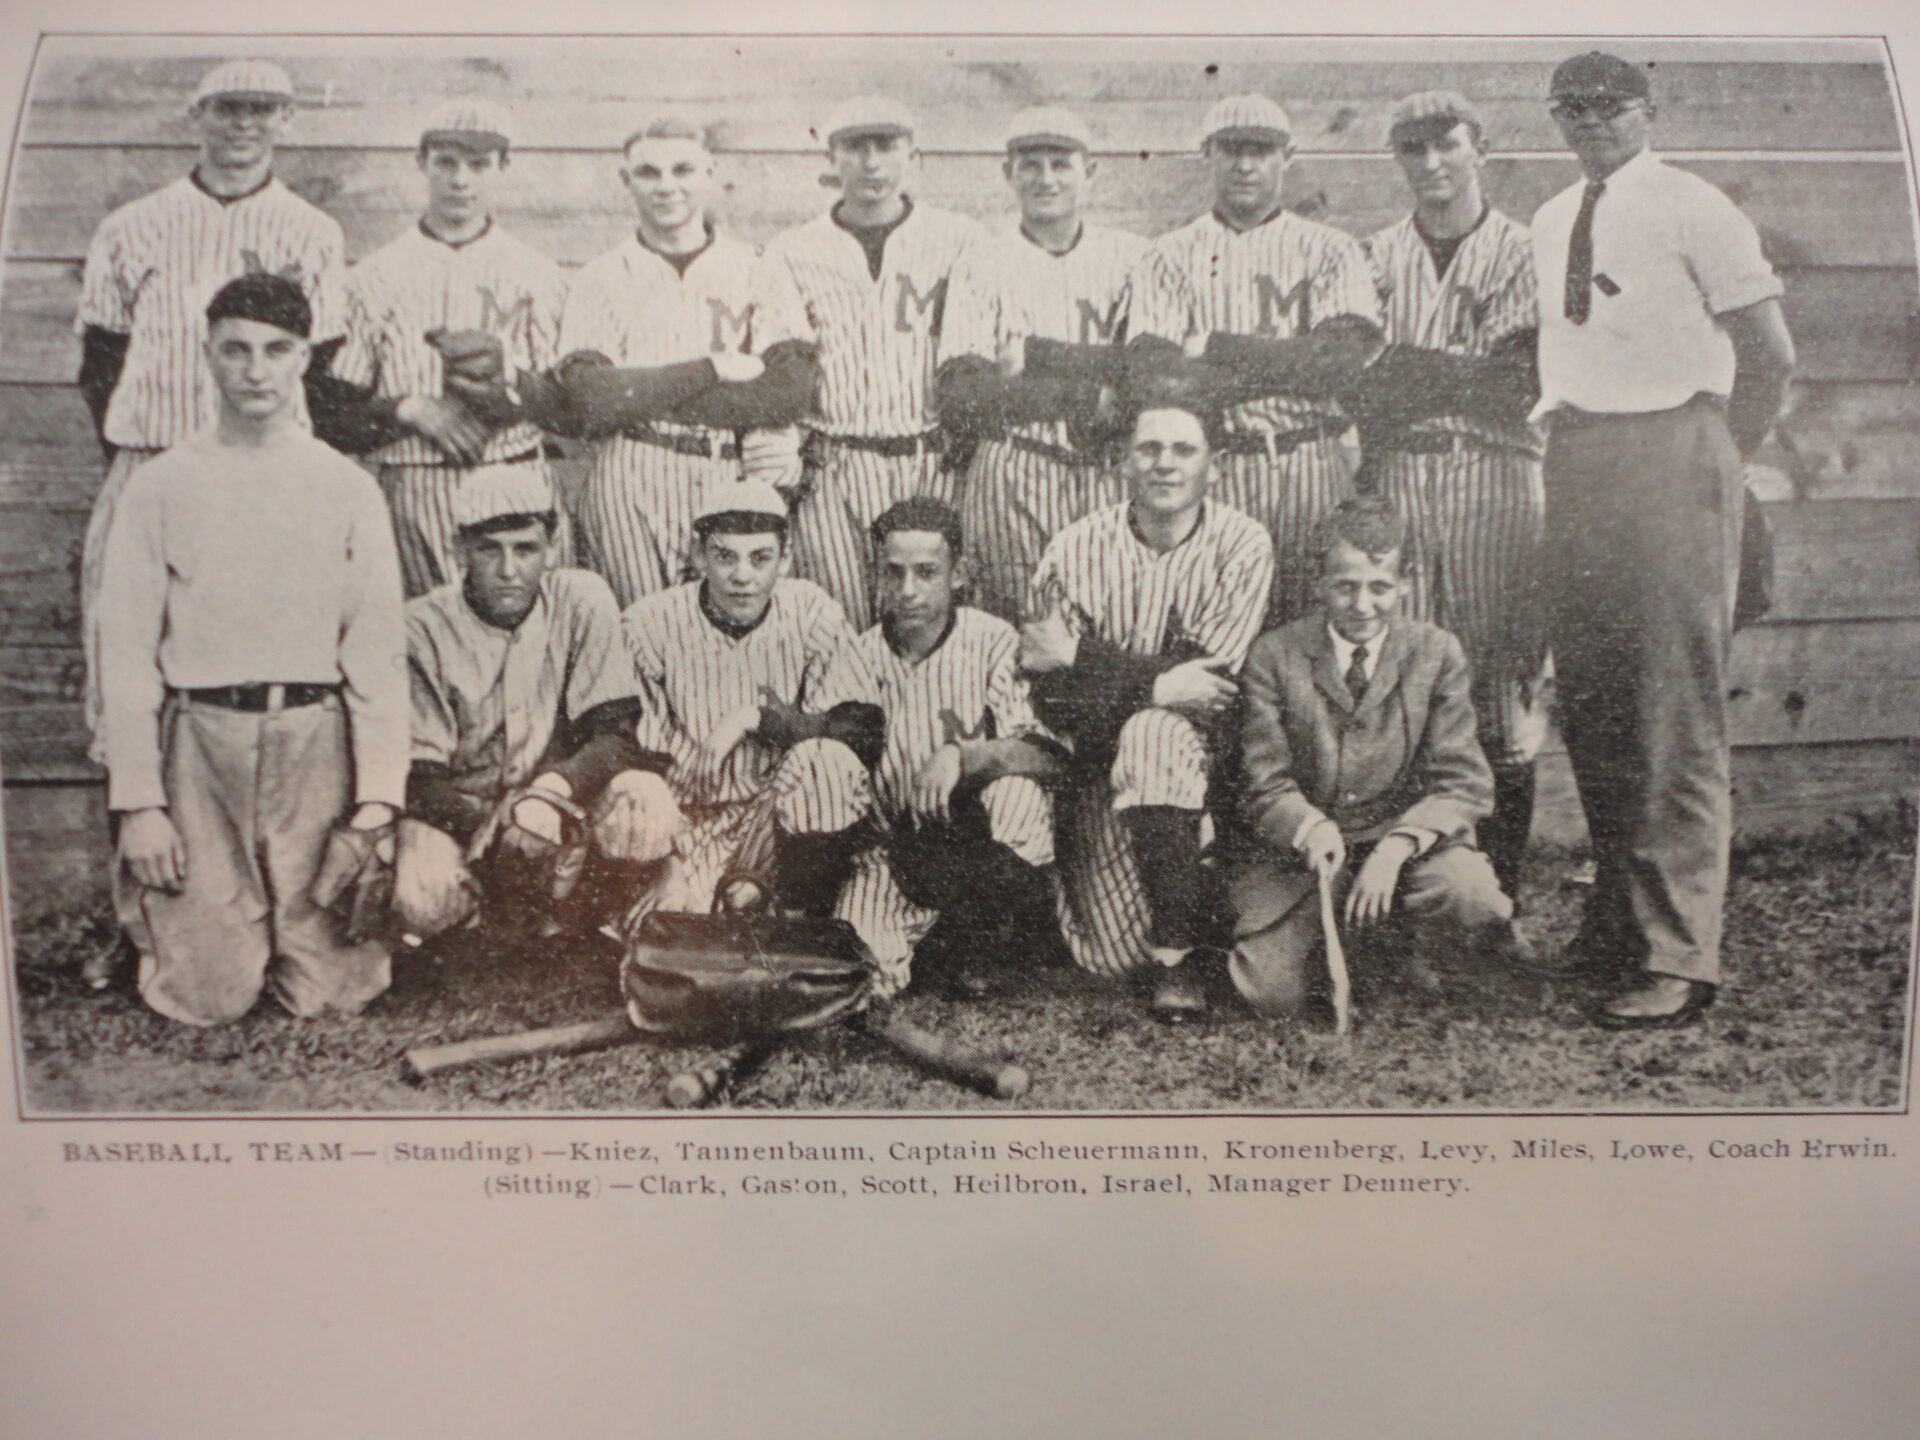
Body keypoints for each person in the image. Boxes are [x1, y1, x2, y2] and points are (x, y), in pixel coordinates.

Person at [1530, 52, 1795, 1027]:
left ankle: (1681, 957)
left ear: (1648, 110)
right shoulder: (1554, 218)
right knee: (1594, 697)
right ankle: (1614, 926)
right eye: (1573, 108)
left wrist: (1715, 455)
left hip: (1678, 452)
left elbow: (1771, 351)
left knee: (1673, 712)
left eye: (1612, 105)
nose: (1592, 121)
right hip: (1581, 462)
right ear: (1555, 117)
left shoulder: (1697, 205)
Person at [73, 58, 349, 987]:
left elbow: (328, 369)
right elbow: (99, 363)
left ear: (284, 119)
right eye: (227, 108)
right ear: (196, 115)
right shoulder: (133, 225)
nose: (244, 125)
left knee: (241, 674)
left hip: (270, 478)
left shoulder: (310, 232)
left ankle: (266, 914)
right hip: (155, 460)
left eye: (263, 108)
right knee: (128, 689)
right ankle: (137, 920)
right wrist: (146, 453)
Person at [93, 273, 406, 1026]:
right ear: (208, 354)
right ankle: (183, 923)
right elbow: (126, 652)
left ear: (304, 356)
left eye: (276, 349)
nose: (255, 370)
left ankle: (279, 925)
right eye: (235, 350)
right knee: (205, 998)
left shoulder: (345, 485)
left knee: (336, 995)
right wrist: (140, 803)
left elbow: (376, 654)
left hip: (313, 746)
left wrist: (375, 806)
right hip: (203, 747)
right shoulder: (162, 484)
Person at [1040, 93, 1381, 625]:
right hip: (1217, 471)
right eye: (1232, 149)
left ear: (1286, 157)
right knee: (1217, 636)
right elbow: (1157, 375)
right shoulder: (1170, 253)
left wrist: (1214, 350)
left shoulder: (1330, 248)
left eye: (1261, 151)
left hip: (1311, 464)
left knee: (1314, 635)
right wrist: (1288, 366)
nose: (1245, 164)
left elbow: (1336, 364)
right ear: (1208, 154)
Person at [1229, 496, 1532, 1019]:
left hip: (1410, 848)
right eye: (1345, 586)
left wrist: (1398, 846)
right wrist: (1309, 827)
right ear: (1318, 583)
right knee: (1270, 995)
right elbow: (1264, 782)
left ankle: (1394, 937)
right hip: (1307, 855)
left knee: (1472, 898)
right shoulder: (1274, 655)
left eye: (1380, 587)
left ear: (1407, 584)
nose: (1362, 605)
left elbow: (1463, 781)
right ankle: (1349, 941)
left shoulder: (1437, 652)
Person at [1021, 394, 1274, 1018]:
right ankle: (1187, 894)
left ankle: (1177, 955)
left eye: (1183, 449)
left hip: (1204, 759)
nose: (1166, 464)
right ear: (1123, 463)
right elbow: (1048, 689)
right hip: (1099, 761)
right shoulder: (1075, 545)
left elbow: (1209, 684)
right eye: (1149, 448)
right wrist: (1157, 685)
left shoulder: (1242, 543)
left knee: (1156, 734)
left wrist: (1086, 658)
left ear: (1212, 466)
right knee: (1106, 956)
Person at [1354, 90, 1548, 895]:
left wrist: (1409, 373)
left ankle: (1498, 893)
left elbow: (1515, 382)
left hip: (1496, 477)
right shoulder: (1370, 255)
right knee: (1407, 675)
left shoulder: (1527, 248)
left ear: (1481, 149)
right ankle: (1422, 883)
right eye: (1414, 149)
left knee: (1501, 685)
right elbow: (1365, 390)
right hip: (1402, 476)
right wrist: (1445, 377)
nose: (1432, 163)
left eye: (1447, 145)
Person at [778, 497, 1066, 998]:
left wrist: (963, 755)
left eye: (927, 572)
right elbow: (830, 771)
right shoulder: (857, 654)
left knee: (1016, 794)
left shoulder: (994, 640)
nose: (908, 590)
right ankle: (923, 943)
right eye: (894, 573)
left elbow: (1046, 754)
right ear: (877, 575)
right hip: (893, 853)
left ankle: (979, 938)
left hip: (971, 840)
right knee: (863, 975)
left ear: (960, 573)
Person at [394, 465, 674, 947]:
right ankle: (496, 921)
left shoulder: (581, 597)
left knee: (643, 796)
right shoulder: (420, 627)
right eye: (489, 550)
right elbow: (419, 777)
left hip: (561, 805)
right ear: (460, 549)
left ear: (551, 545)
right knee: (424, 898)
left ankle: (595, 911)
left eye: (525, 549)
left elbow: (615, 736)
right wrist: (500, 823)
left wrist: (548, 794)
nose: (509, 570)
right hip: (466, 815)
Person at [551, 118, 820, 607]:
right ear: (626, 180)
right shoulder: (600, 276)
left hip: (732, 469)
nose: (667, 186)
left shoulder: (758, 267)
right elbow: (591, 399)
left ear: (710, 173)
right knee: (638, 634)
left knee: (735, 635)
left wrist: (642, 390)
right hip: (630, 473)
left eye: (682, 169)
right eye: (649, 172)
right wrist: (712, 369)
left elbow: (790, 388)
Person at [751, 96, 980, 628]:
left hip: (930, 458)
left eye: (887, 145)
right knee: (841, 625)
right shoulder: (792, 248)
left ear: (913, 155)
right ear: (832, 157)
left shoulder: (959, 238)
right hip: (837, 461)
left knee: (932, 627)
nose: (872, 162)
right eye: (856, 147)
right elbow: (783, 367)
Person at [325, 100, 569, 596]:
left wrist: (509, 393)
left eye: (478, 165)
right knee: (426, 638)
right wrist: (408, 408)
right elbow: (336, 410)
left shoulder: (540, 274)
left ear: (502, 167)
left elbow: (567, 403)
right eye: (446, 162)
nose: (461, 180)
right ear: (422, 163)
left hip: (515, 472)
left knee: (534, 639)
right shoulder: (373, 276)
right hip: (413, 481)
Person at [934, 106, 1147, 619]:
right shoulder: (981, 260)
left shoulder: (1134, 256)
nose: (1046, 178)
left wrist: (1028, 361)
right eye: (1030, 164)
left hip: (1109, 467)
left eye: (1061, 163)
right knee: (1015, 626)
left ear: (1089, 172)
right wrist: (1087, 390)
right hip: (1012, 466)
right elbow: (964, 392)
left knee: (1113, 621)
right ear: (1008, 172)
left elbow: (1151, 373)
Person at [618, 480, 862, 923]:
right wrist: (665, 862)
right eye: (725, 556)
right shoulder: (649, 623)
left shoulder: (813, 613)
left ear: (785, 560)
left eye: (760, 558)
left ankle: (791, 904)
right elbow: (638, 755)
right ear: (698, 557)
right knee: (675, 931)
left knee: (828, 763)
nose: (742, 576)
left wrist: (754, 719)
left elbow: (852, 729)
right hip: (686, 822)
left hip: (772, 822)